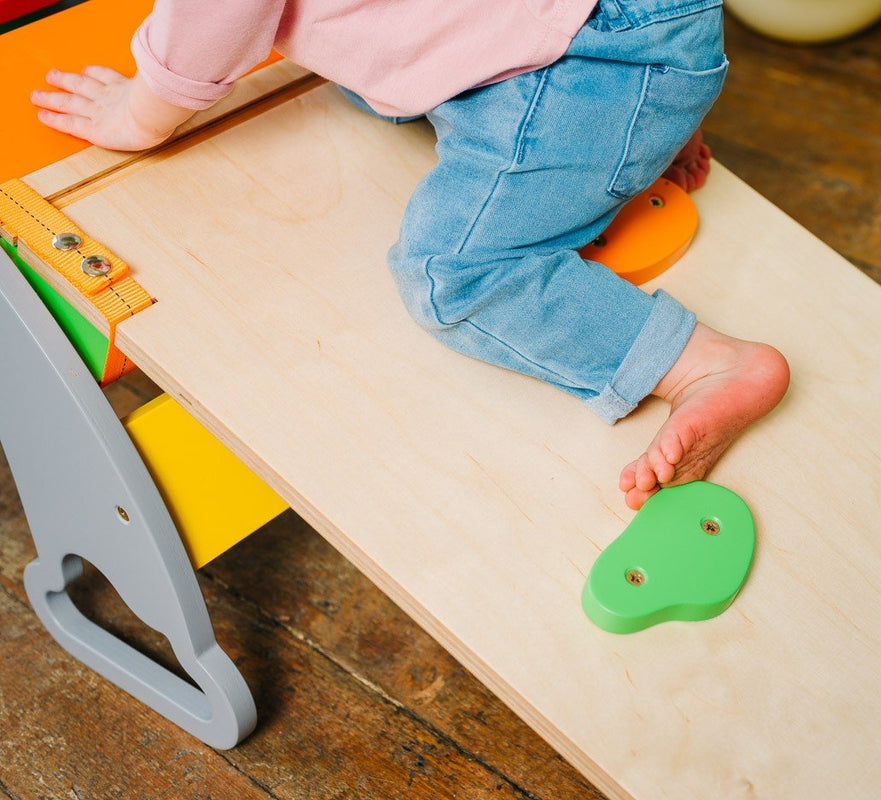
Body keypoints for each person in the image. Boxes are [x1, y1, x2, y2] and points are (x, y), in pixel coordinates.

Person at [31, 0, 789, 510]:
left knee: (454, 272)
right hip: (620, 28)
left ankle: (706, 364)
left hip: (597, 63)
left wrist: (142, 112)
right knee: (365, 71)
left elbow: (214, 18)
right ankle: (635, 126)